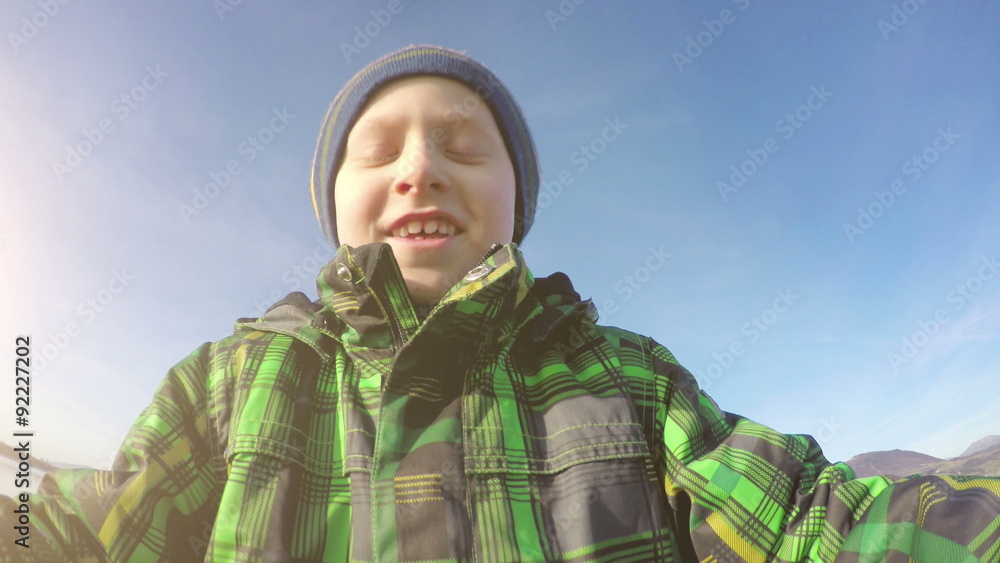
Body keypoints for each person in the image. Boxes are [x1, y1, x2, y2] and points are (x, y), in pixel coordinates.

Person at [3, 44, 1000, 562]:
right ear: (331, 204)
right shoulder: (231, 381)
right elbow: (78, 530)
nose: (421, 168)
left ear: (515, 206)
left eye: (464, 146)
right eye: (378, 149)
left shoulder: (630, 379)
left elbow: (806, 521)